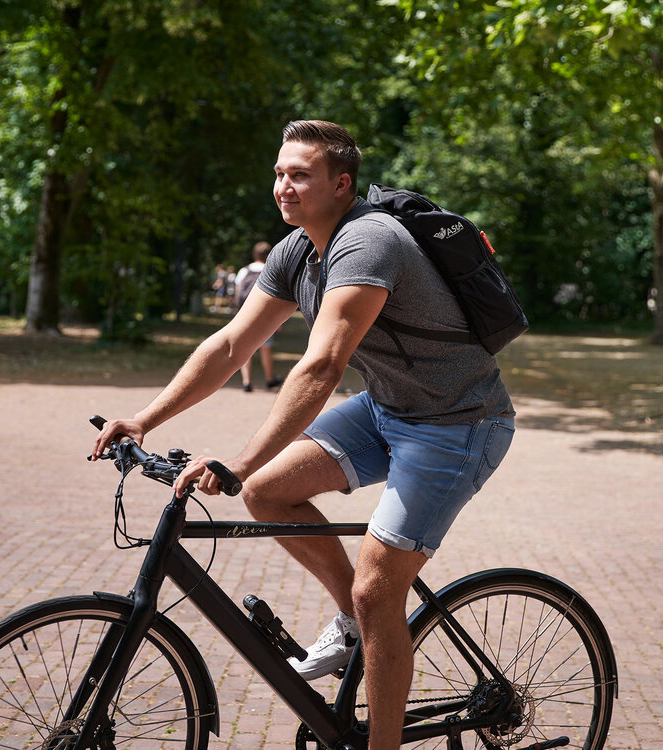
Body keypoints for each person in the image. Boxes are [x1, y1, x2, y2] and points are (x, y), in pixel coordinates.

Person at [91, 120, 515, 749]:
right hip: (387, 408)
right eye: (279, 174)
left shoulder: (369, 242)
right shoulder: (297, 251)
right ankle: (357, 626)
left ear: (340, 183)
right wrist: (146, 419)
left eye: (299, 175)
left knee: (379, 589)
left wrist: (237, 459)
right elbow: (234, 343)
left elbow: (320, 367)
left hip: (458, 424)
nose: (283, 187)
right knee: (266, 494)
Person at [233, 241, 283, 391]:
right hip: (266, 316)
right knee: (265, 349)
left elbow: (237, 294)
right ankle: (269, 379)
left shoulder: (244, 270)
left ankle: (246, 382)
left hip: (245, 315)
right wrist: (279, 320)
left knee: (245, 349)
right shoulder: (271, 269)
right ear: (269, 254)